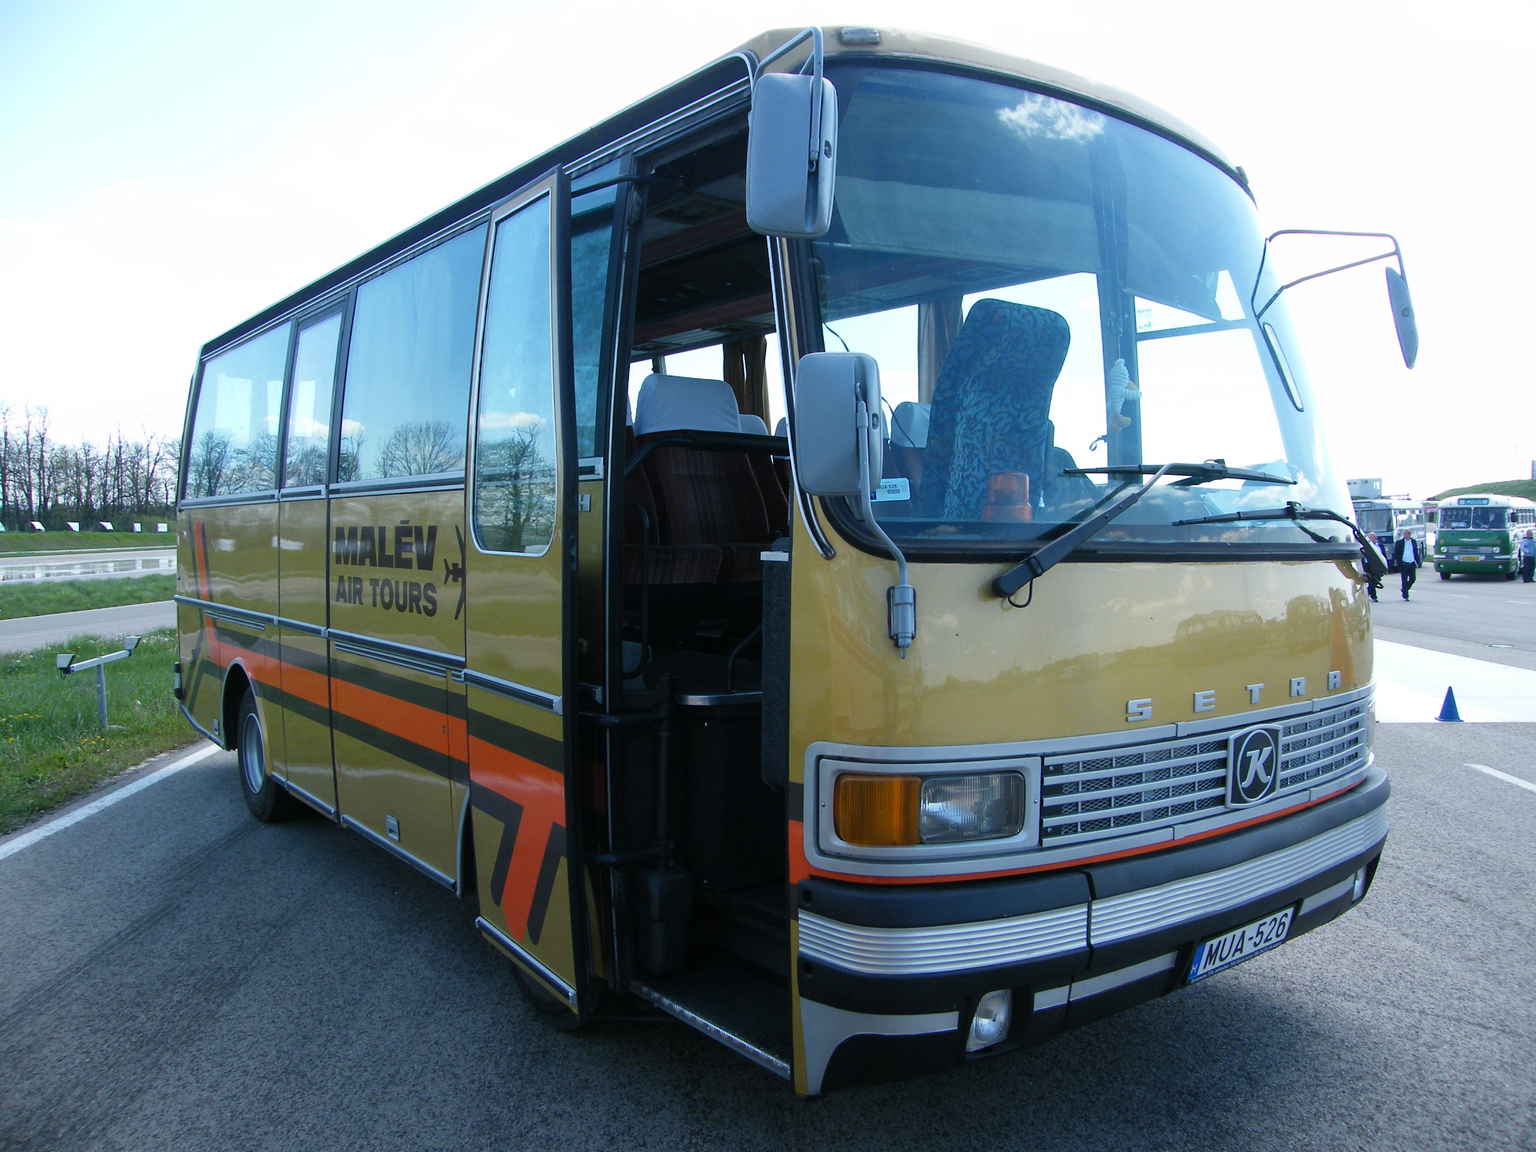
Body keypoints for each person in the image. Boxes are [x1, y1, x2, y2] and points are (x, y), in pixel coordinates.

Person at [1392, 528, 1422, 600]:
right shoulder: (1399, 543)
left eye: (1410, 533)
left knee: (1413, 578)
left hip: (1411, 563)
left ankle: (1404, 589)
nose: (1409, 534)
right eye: (1408, 533)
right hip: (1404, 564)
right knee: (1404, 580)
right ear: (1404, 534)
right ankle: (1406, 595)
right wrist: (1400, 563)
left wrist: (1418, 562)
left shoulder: (1413, 542)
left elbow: (1415, 553)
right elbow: (1396, 554)